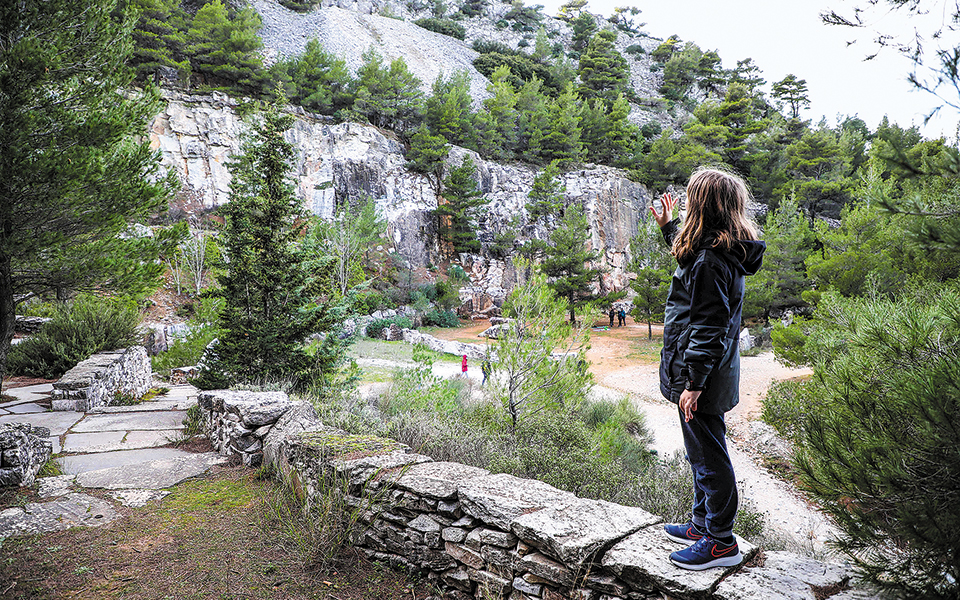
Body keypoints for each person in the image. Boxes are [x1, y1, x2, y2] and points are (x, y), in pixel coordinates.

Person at [650, 168, 764, 571]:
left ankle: (719, 541)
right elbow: (691, 253)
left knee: (709, 457)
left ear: (704, 207)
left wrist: (694, 383)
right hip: (705, 371)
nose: (684, 203)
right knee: (700, 450)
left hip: (701, 375)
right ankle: (701, 525)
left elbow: (709, 326)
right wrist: (669, 228)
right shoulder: (715, 251)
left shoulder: (712, 261)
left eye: (690, 199)